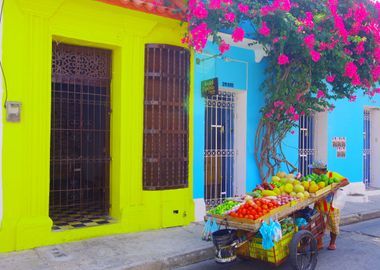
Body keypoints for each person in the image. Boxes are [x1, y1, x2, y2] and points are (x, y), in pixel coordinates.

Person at [308, 160, 349, 251]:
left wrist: (337, 186)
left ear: (318, 169)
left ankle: (332, 242)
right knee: (317, 225)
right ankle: (319, 242)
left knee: (334, 225)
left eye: (313, 169)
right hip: (319, 205)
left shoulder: (332, 175)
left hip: (332, 206)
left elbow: (346, 181)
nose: (312, 170)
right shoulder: (315, 177)